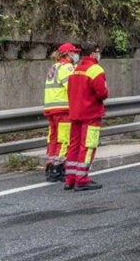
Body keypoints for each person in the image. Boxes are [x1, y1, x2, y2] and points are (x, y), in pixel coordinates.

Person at [65, 45, 109, 191]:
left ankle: (70, 178)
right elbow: (102, 93)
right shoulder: (96, 69)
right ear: (92, 53)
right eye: (98, 52)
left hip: (75, 113)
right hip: (91, 113)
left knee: (74, 146)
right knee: (88, 146)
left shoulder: (75, 68)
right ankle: (82, 179)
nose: (99, 55)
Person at [43, 43, 80, 182]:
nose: (76, 55)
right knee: (64, 139)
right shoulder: (66, 67)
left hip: (51, 109)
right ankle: (57, 170)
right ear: (68, 54)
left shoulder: (54, 67)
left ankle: (50, 165)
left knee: (52, 138)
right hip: (63, 109)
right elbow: (72, 87)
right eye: (74, 52)